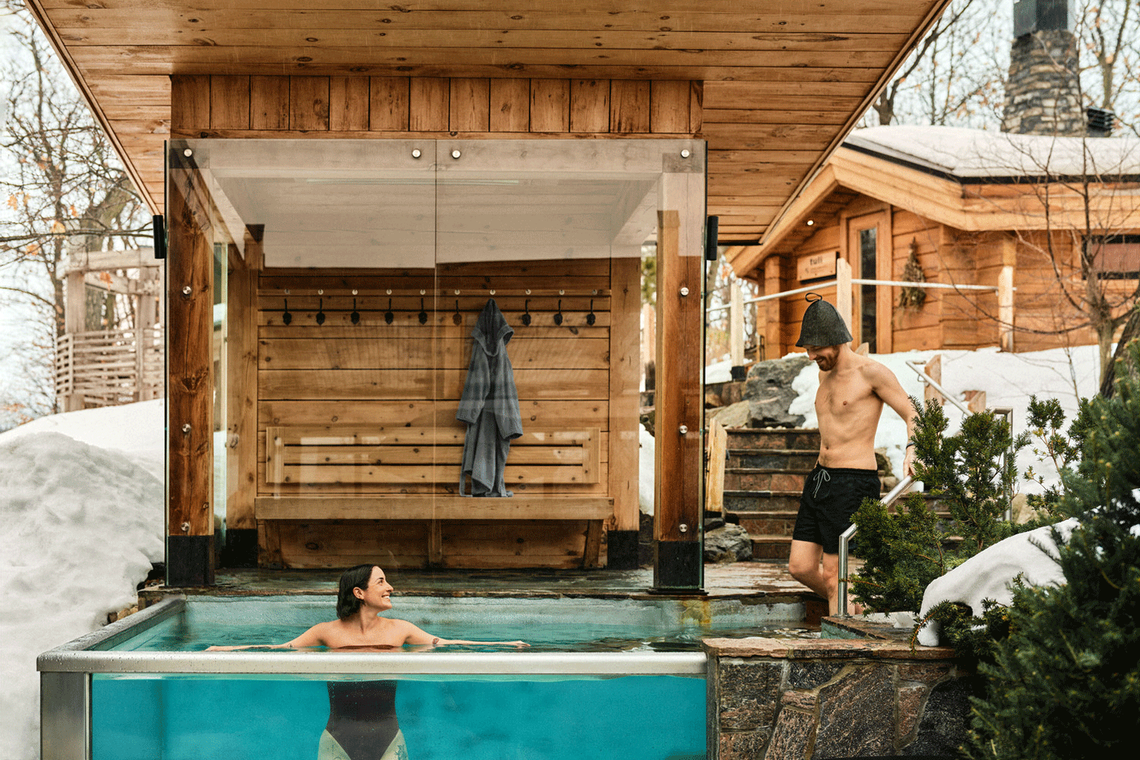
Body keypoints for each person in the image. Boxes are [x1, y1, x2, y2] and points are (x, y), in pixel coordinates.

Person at [210, 564, 527, 760]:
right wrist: (226, 652)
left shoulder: (401, 630)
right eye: (381, 582)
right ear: (359, 592)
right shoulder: (326, 633)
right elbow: (278, 650)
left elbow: (447, 644)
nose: (390, 588)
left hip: (388, 736)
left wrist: (502, 645)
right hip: (338, 737)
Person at [787, 294, 916, 615]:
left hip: (853, 482)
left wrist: (914, 448)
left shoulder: (872, 373)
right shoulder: (823, 375)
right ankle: (853, 607)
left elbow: (913, 412)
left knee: (834, 575)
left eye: (816, 348)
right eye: (808, 348)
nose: (811, 355)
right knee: (800, 567)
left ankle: (839, 639)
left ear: (837, 341)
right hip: (820, 479)